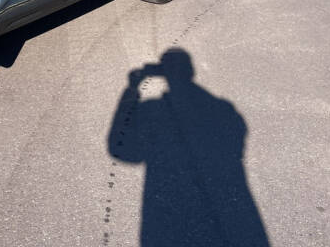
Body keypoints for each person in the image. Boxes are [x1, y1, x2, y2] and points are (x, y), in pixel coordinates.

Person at [108, 48, 269, 246]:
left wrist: (132, 89)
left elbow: (123, 151)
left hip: (167, 214)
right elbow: (236, 145)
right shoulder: (224, 109)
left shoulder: (152, 109)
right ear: (191, 72)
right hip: (228, 208)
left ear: (163, 72)